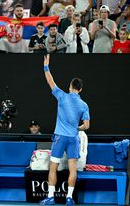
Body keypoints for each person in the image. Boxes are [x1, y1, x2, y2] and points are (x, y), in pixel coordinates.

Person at [40, 54, 90, 205]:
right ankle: (69, 198)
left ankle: (50, 198)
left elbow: (50, 80)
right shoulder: (84, 105)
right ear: (80, 89)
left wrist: (46, 66)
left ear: (70, 87)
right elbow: (86, 126)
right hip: (73, 138)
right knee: (73, 169)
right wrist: (77, 127)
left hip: (60, 137)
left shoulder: (62, 96)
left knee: (53, 167)